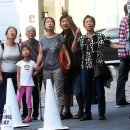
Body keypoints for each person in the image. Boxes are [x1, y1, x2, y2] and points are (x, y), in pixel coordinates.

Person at [71, 15, 125, 121]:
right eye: (87, 22)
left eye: (91, 21)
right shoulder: (81, 38)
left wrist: (124, 46)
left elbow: (111, 45)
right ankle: (87, 114)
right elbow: (73, 49)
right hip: (85, 67)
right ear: (84, 25)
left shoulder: (100, 36)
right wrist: (76, 37)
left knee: (100, 91)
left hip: (98, 66)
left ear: (94, 24)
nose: (89, 23)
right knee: (86, 91)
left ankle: (101, 113)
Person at [37, 17, 71, 119]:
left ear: (54, 24)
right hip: (46, 69)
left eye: (51, 22)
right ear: (45, 26)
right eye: (47, 22)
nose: (50, 23)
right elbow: (40, 54)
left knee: (59, 90)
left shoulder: (59, 37)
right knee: (49, 91)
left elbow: (64, 50)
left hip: (57, 68)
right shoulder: (42, 39)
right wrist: (37, 65)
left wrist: (69, 60)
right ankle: (50, 112)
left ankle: (58, 113)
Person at [60, 11, 83, 119]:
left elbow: (74, 27)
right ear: (60, 24)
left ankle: (81, 110)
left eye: (67, 21)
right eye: (63, 21)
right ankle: (67, 111)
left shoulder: (76, 33)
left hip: (77, 67)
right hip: (64, 69)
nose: (65, 23)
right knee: (66, 90)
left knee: (78, 90)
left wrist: (66, 15)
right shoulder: (59, 36)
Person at [21, 26, 42, 120]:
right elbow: (20, 58)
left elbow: (42, 55)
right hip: (26, 73)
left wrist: (38, 69)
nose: (31, 32)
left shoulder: (39, 43)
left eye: (33, 31)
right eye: (29, 31)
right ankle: (25, 113)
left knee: (36, 93)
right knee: (25, 94)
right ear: (25, 33)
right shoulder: (23, 44)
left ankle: (35, 113)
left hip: (37, 71)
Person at [0, 26, 21, 122]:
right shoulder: (2, 46)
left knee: (16, 94)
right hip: (4, 73)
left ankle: (15, 115)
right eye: (10, 31)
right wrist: (0, 75)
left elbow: (21, 60)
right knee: (4, 95)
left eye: (14, 31)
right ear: (6, 35)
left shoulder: (18, 46)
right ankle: (2, 115)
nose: (12, 33)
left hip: (15, 74)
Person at [16, 44, 37, 123]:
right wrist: (18, 83)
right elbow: (18, 74)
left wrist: (39, 69)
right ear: (21, 53)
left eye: (27, 50)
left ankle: (29, 116)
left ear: (30, 52)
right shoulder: (19, 63)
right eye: (23, 50)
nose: (25, 51)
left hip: (29, 84)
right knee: (17, 99)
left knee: (28, 100)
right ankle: (17, 114)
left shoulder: (32, 63)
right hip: (21, 84)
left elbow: (35, 72)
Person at [116, 4, 130, 107]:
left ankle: (120, 99)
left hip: (123, 53)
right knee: (122, 78)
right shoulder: (127, 20)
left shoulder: (123, 19)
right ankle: (120, 99)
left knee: (122, 78)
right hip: (127, 52)